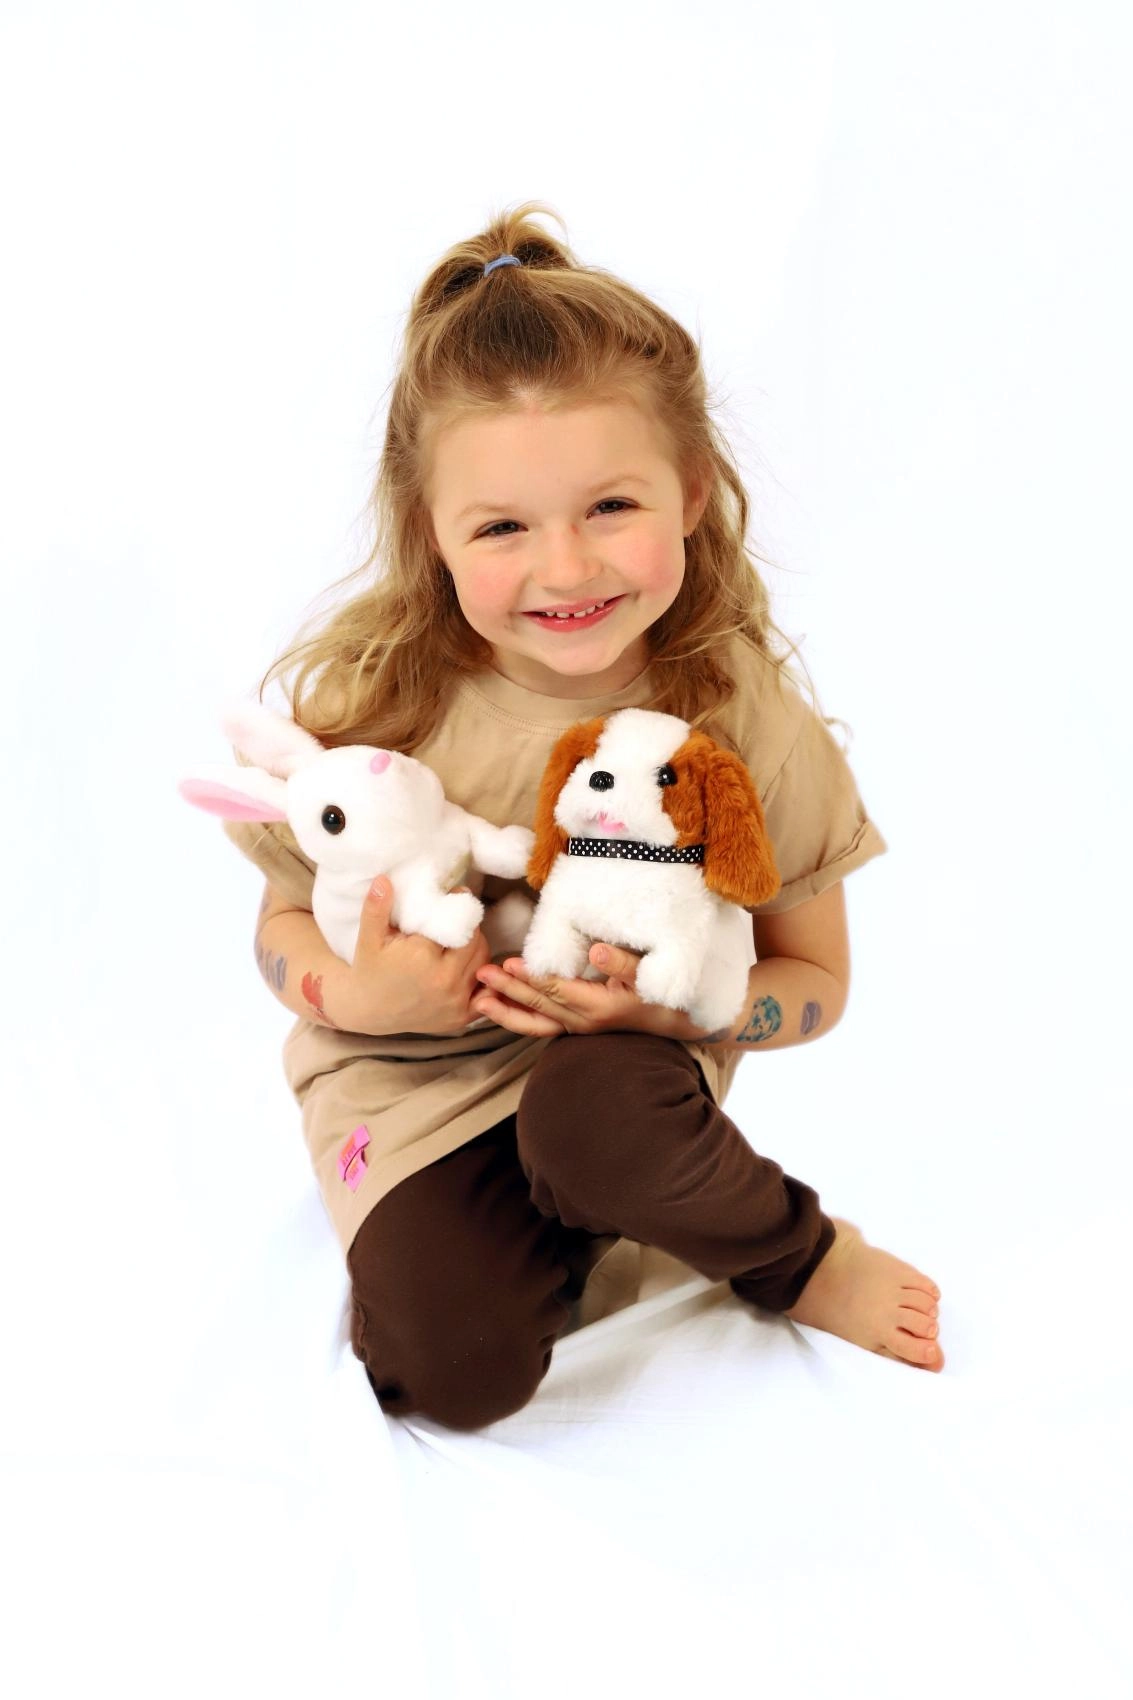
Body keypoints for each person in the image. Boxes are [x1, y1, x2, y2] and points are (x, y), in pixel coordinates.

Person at [225, 201, 944, 1432]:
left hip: (616, 1082)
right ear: (430, 532)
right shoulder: (374, 698)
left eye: (610, 506)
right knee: (446, 1378)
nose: (565, 569)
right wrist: (365, 998)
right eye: (502, 527)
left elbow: (815, 982)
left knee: (596, 1122)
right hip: (406, 1086)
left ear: (691, 491)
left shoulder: (737, 715)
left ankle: (792, 1254)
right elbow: (282, 926)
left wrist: (677, 1011)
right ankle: (558, 1224)